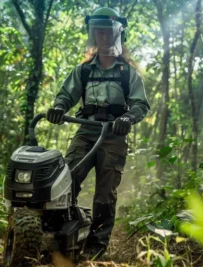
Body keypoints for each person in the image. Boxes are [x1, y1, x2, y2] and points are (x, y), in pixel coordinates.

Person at [46, 7, 150, 258]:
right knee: (65, 181)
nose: (103, 36)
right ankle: (57, 238)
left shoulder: (127, 73)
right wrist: (59, 108)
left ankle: (95, 247)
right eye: (98, 31)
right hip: (87, 131)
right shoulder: (83, 70)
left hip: (113, 135)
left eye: (107, 31)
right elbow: (65, 95)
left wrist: (127, 117)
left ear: (117, 34)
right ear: (93, 34)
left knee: (105, 193)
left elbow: (141, 105)